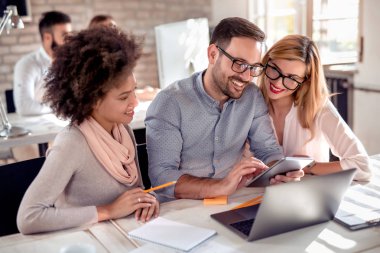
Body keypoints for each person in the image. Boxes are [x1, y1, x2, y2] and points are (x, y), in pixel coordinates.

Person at [17, 26, 159, 235]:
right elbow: (28, 218)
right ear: (92, 100)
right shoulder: (72, 143)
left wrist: (147, 201)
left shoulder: (123, 131)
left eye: (134, 91)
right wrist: (108, 211)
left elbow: (133, 193)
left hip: (129, 235)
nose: (135, 102)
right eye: (123, 97)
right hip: (85, 242)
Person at [145, 17, 304, 202]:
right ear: (213, 54)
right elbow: (162, 177)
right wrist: (221, 187)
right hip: (181, 209)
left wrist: (281, 172)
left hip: (231, 201)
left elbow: (268, 150)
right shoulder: (170, 102)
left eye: (253, 67)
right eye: (239, 64)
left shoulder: (251, 96)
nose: (246, 77)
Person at [257, 34, 371, 181]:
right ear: (267, 62)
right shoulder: (251, 103)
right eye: (274, 69)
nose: (278, 83)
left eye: (292, 78)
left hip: (308, 197)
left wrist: (309, 167)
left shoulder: (319, 108)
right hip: (258, 195)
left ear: (305, 81)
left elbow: (363, 166)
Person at [13, 11, 72, 116]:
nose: (69, 40)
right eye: (64, 35)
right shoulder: (27, 64)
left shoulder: (70, 62)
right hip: (41, 128)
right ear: (47, 37)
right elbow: (24, 107)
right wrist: (59, 107)